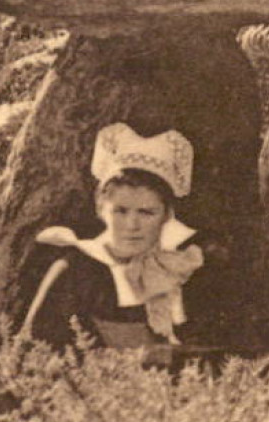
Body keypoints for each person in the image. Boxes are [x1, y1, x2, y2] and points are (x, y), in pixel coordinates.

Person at [21, 123, 205, 349]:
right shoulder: (76, 271)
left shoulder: (178, 269)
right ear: (100, 209)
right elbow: (33, 354)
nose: (132, 225)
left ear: (167, 215)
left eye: (146, 213)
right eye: (120, 211)